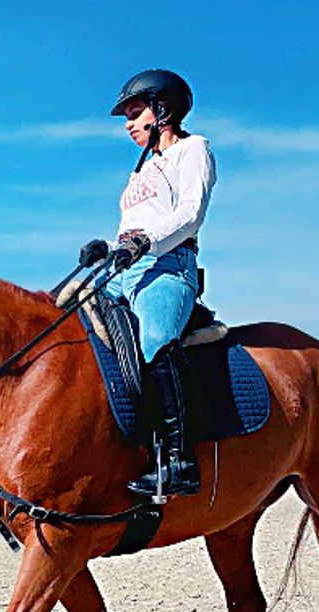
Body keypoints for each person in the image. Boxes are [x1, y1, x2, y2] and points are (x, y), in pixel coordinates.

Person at [81, 69, 217, 499]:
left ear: (163, 110)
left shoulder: (193, 149)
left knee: (156, 339)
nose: (127, 124)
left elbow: (190, 213)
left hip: (168, 265)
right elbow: (134, 225)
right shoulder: (141, 171)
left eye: (134, 113)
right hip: (125, 270)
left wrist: (147, 242)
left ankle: (179, 462)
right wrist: (106, 247)